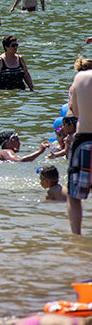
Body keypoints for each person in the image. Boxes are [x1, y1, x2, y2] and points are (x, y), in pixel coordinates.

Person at [69, 61, 92, 234]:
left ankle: (76, 237)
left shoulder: (80, 78)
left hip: (84, 140)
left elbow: (76, 113)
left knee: (74, 195)